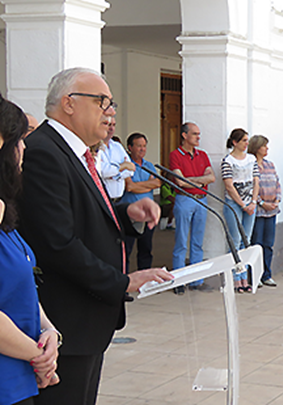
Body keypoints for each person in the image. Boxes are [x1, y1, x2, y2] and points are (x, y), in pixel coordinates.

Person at [18, 68, 173, 405]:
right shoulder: (45, 152)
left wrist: (125, 213)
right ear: (68, 103)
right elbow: (56, 242)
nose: (111, 112)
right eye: (102, 101)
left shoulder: (76, 152)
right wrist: (123, 282)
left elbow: (78, 216)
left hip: (86, 321)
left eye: (112, 103)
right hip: (65, 322)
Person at [0, 95, 61, 404]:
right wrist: (39, 356)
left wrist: (49, 331)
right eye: (19, 139)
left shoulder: (5, 212)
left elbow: (20, 287)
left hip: (20, 374)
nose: (24, 148)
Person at [169, 122, 215, 293]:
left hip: (201, 199)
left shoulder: (202, 155)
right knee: (181, 241)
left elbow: (211, 177)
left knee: (198, 242)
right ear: (184, 135)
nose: (198, 137)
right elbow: (180, 182)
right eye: (195, 134)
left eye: (198, 134)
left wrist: (191, 179)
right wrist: (199, 179)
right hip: (184, 199)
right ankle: (178, 281)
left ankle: (196, 279)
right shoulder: (175, 155)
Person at [222, 128, 259, 293]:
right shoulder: (228, 161)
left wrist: (253, 201)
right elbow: (229, 186)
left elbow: (256, 181)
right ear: (235, 142)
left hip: (250, 203)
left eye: (247, 141)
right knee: (235, 241)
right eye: (243, 140)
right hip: (234, 204)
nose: (246, 144)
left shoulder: (251, 159)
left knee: (247, 241)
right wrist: (243, 204)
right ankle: (235, 279)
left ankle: (245, 277)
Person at [119, 132, 162, 271]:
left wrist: (138, 186)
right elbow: (129, 187)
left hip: (148, 214)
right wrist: (146, 184)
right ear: (130, 147)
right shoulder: (125, 165)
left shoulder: (149, 165)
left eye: (144, 146)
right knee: (127, 249)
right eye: (139, 146)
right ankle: (124, 278)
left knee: (146, 248)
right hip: (130, 214)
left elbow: (157, 183)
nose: (142, 149)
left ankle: (145, 280)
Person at [250, 135, 282, 287]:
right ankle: (254, 276)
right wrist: (261, 203)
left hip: (272, 211)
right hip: (258, 211)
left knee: (268, 244)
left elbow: (277, 183)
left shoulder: (270, 165)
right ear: (257, 148)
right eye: (264, 146)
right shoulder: (251, 165)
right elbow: (250, 188)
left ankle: (266, 274)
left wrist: (276, 201)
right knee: (256, 243)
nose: (267, 148)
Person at [96, 115, 134, 201]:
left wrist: (114, 174)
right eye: (108, 125)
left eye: (114, 125)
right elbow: (102, 171)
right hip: (103, 199)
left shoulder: (117, 146)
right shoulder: (95, 147)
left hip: (119, 198)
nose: (111, 128)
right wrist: (122, 167)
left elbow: (131, 170)